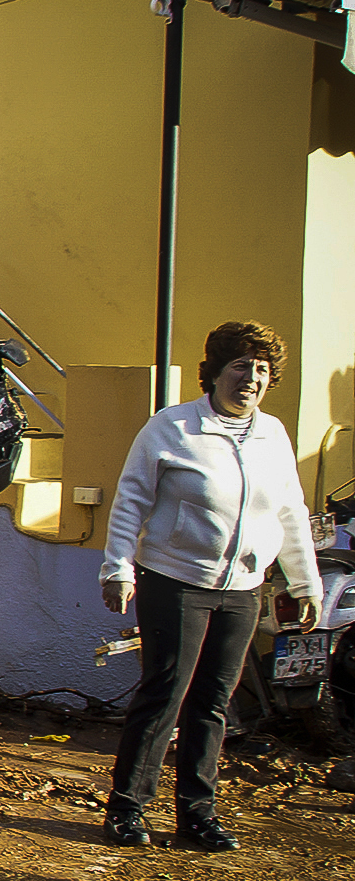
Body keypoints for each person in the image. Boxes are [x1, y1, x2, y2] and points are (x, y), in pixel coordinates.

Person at [99, 321, 321, 851]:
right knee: (165, 693)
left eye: (262, 370)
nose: (251, 379)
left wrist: (304, 581)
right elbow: (131, 500)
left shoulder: (272, 435)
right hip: (175, 580)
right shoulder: (171, 427)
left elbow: (291, 511)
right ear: (215, 372)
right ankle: (127, 810)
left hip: (243, 588)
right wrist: (118, 568)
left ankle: (197, 816)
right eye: (240, 367)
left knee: (215, 702)